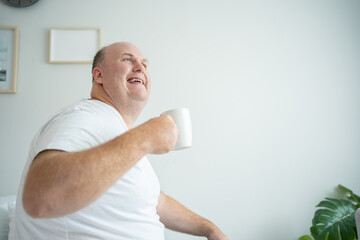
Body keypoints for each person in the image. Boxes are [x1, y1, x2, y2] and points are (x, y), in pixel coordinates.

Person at [13, 42, 228, 240]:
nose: (140, 67)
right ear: (99, 75)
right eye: (128, 59)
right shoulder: (84, 116)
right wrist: (146, 136)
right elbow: (40, 196)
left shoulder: (116, 132)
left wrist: (208, 228)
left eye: (144, 64)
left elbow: (154, 200)